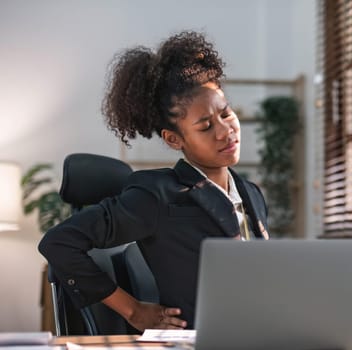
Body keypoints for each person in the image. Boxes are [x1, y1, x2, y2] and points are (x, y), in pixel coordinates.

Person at [38, 31, 270, 331]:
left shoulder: (251, 194)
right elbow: (59, 242)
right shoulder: (157, 195)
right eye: (206, 126)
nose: (226, 131)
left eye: (226, 114)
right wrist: (133, 310)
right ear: (174, 139)